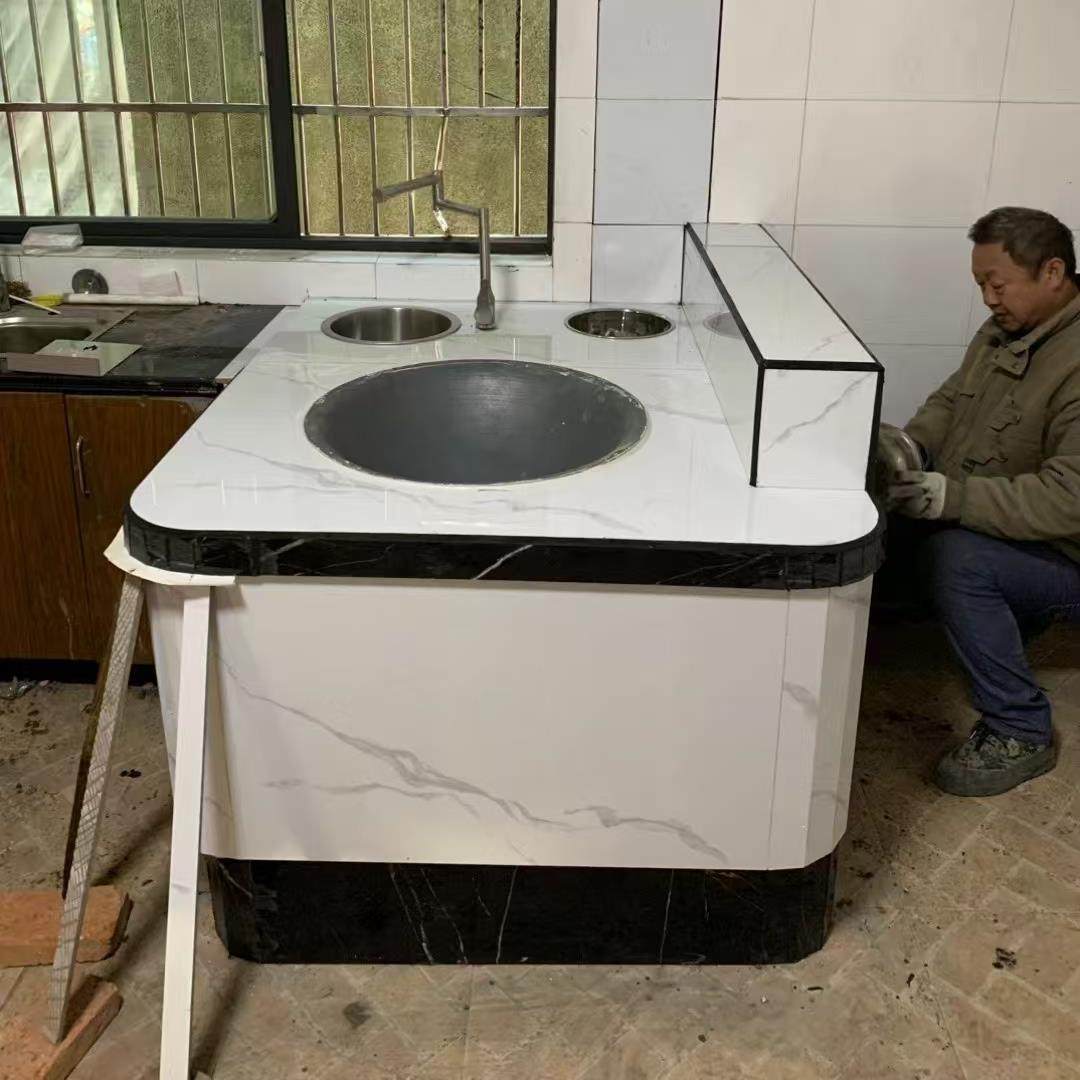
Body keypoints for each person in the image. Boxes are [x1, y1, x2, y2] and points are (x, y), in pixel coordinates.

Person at [886, 206, 1080, 797]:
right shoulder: (1009, 327)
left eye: (998, 284)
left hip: (1067, 551)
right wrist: (908, 451)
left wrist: (952, 498)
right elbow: (952, 400)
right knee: (885, 521)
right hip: (1016, 526)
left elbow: (1069, 500)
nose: (989, 299)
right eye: (981, 286)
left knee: (958, 562)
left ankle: (1020, 727)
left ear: (1053, 272)